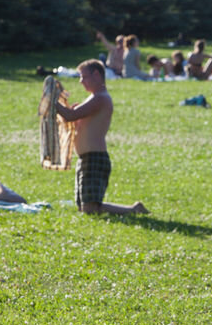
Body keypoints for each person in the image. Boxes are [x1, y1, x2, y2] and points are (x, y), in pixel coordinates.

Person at [54, 59, 148, 215]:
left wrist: (52, 102)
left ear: (96, 74)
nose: (81, 81)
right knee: (84, 208)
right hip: (86, 159)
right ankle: (133, 209)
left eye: (83, 77)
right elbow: (72, 119)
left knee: (91, 209)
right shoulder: (93, 98)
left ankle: (134, 210)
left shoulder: (100, 98)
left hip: (94, 158)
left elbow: (70, 116)